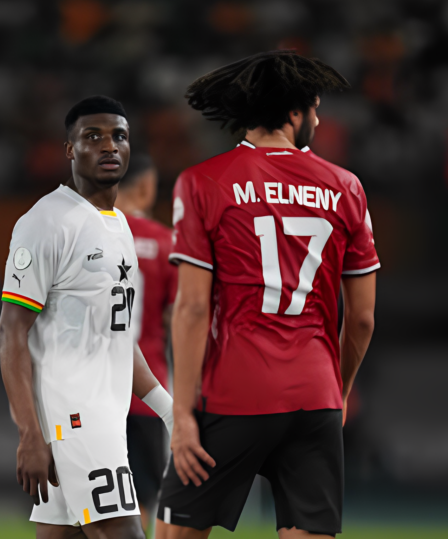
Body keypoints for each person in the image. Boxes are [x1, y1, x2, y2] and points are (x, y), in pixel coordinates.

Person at [155, 51, 379, 539]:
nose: (318, 120)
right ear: (294, 113)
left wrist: (184, 413)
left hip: (235, 393)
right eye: (315, 109)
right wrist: (336, 391)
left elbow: (192, 308)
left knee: (174, 535)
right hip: (316, 398)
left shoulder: (202, 182)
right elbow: (361, 320)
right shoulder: (347, 188)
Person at [0, 96, 174, 539]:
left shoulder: (118, 227)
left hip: (103, 416)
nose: (109, 146)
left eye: (118, 136)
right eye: (92, 137)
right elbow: (11, 331)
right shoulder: (46, 221)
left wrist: (168, 411)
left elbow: (117, 337)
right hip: (75, 420)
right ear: (70, 149)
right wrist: (29, 434)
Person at [114, 154, 178, 534]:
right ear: (146, 187)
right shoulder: (164, 241)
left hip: (91, 384)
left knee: (90, 488)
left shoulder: (87, 234)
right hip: (146, 387)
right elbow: (178, 316)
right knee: (140, 493)